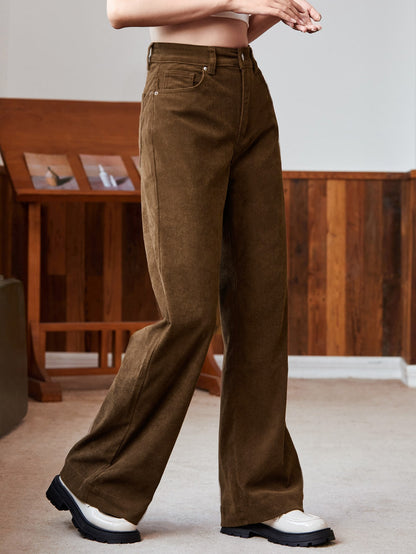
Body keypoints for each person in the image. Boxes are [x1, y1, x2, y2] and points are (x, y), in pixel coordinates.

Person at [46, 0, 336, 547]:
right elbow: (121, 10)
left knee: (260, 308)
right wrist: (235, 0)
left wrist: (276, 9)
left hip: (247, 86)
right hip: (182, 86)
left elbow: (239, 25)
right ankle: (95, 481)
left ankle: (261, 496)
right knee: (188, 312)